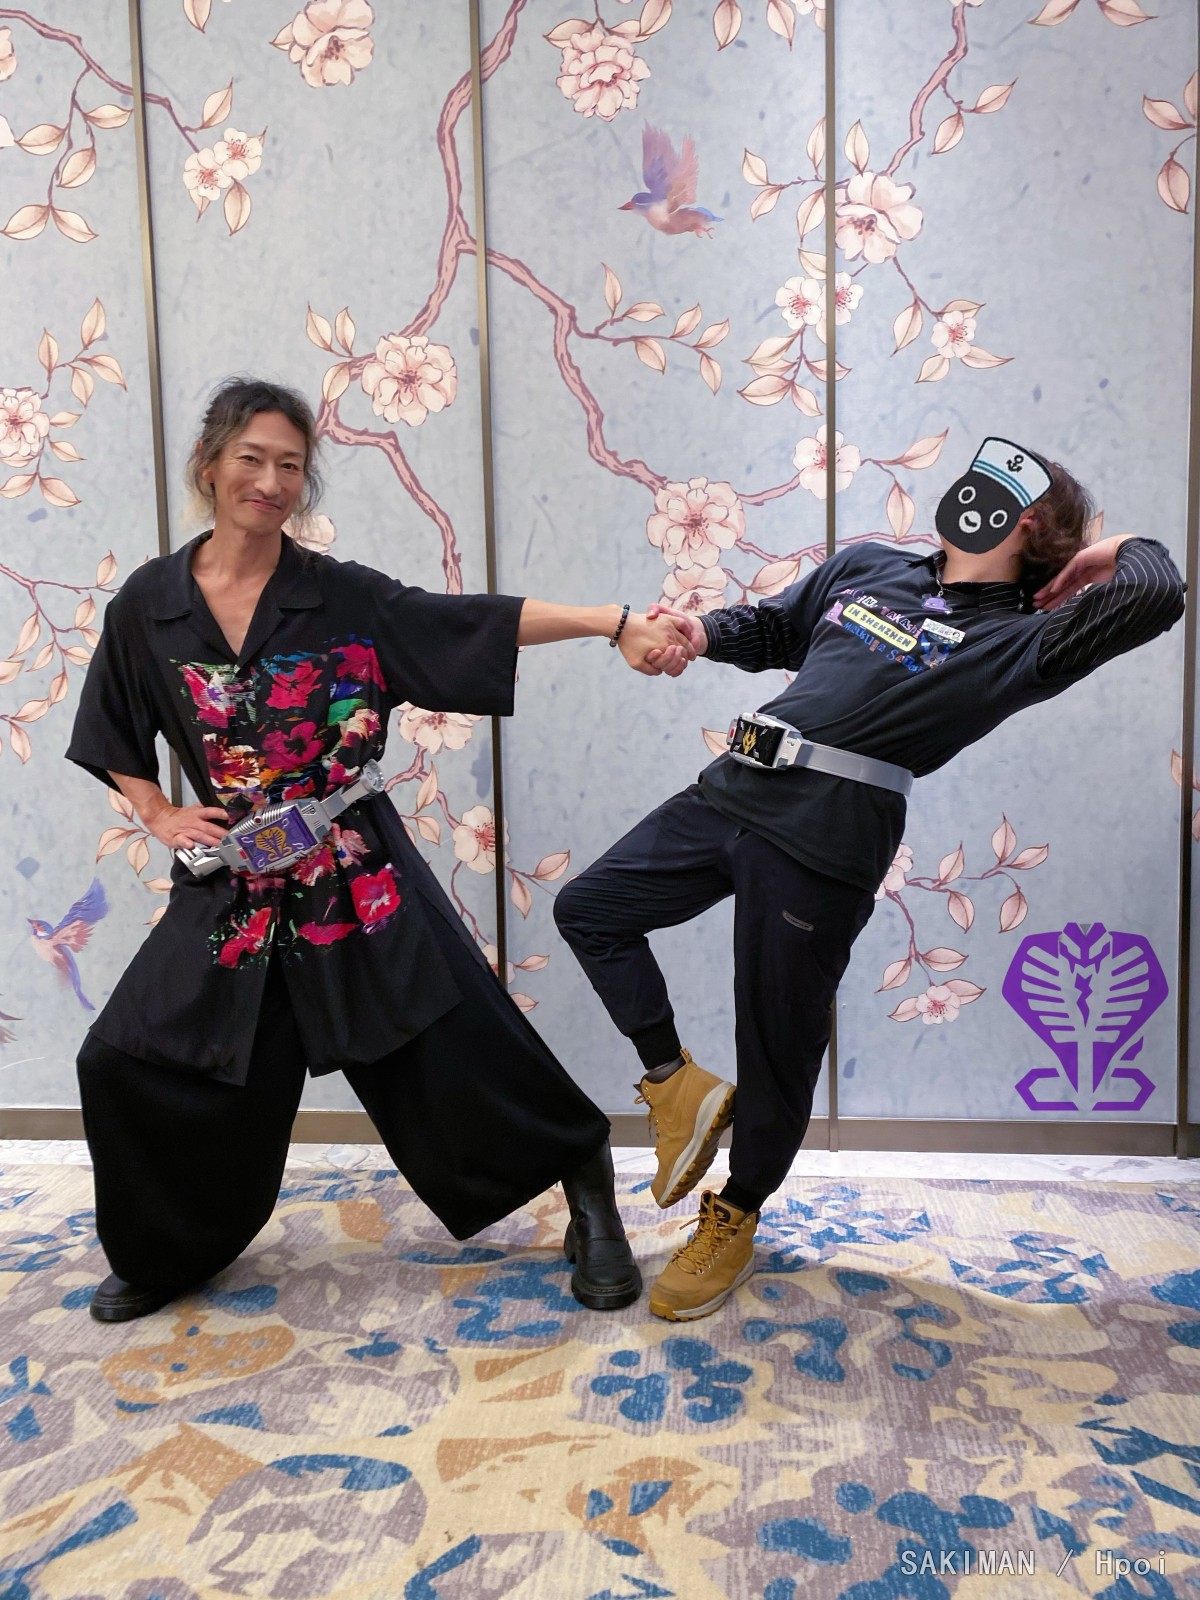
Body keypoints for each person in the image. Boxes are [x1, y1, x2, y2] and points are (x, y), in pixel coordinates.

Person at [65, 376, 694, 1324]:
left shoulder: (341, 598)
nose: (270, 482)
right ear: (209, 466)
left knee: (457, 1041)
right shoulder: (150, 604)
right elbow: (113, 721)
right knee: (135, 1054)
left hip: (351, 867)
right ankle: (170, 1245)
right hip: (237, 879)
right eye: (251, 459)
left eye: (289, 466)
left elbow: (473, 619)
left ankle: (585, 1178)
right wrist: (157, 811)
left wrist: (613, 624)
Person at [553, 437, 1186, 1322]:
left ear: (1029, 523)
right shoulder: (869, 567)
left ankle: (735, 1214)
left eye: (998, 490)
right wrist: (703, 633)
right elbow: (776, 629)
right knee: (590, 908)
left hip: (826, 839)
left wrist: (1106, 552)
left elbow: (1158, 593)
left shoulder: (1023, 640)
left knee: (778, 1039)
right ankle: (675, 1085)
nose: (969, 494)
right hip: (732, 789)